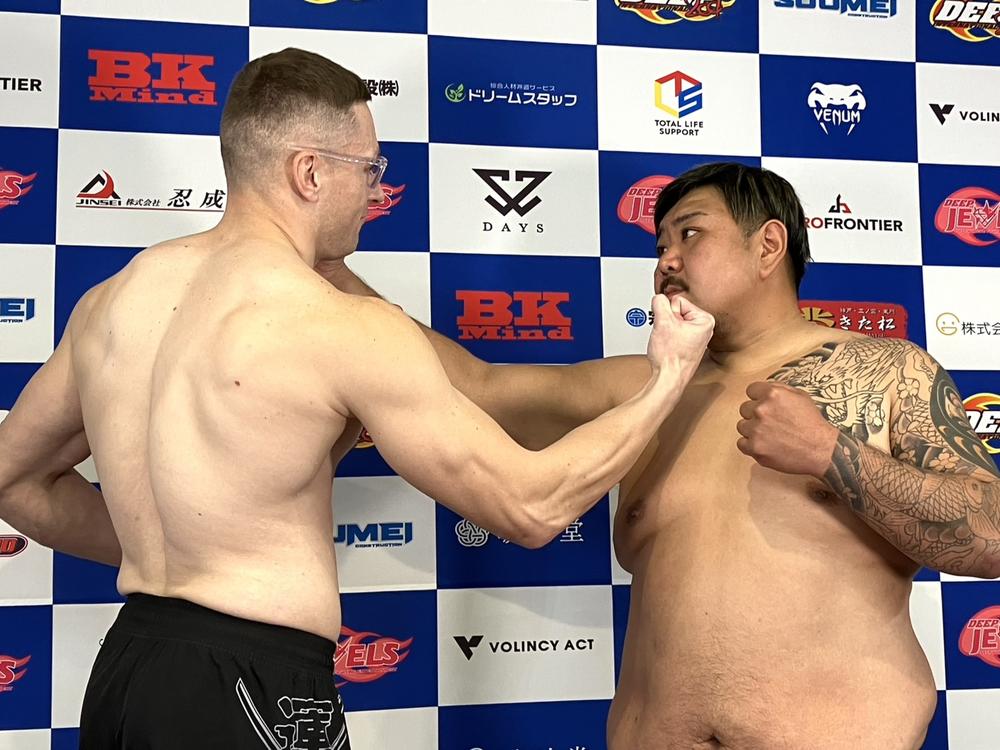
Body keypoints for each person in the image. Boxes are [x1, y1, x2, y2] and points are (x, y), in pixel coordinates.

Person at [0, 49, 714, 748]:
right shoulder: (337, 323)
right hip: (253, 683)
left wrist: (174, 543)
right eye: (370, 168)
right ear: (309, 172)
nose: (377, 192)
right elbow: (530, 507)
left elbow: (13, 479)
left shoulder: (110, 301)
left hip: (127, 670)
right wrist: (668, 378)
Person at [323, 162, 1000, 750]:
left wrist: (830, 452)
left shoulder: (885, 371)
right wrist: (327, 269)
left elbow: (990, 533)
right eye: (660, 244)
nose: (666, 260)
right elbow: (476, 386)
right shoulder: (645, 391)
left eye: (690, 234)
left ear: (768, 245)